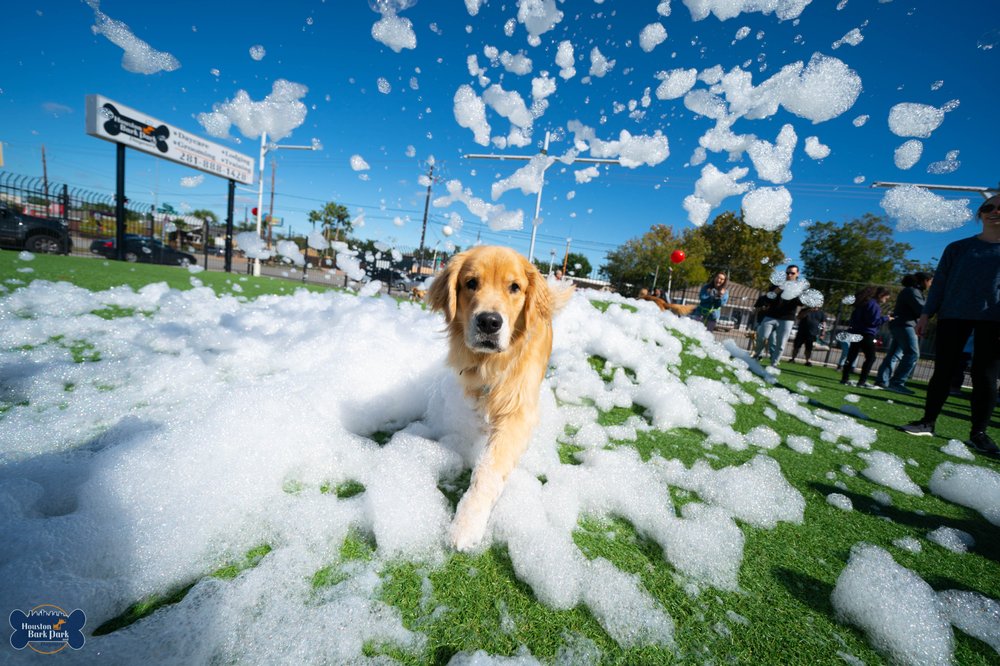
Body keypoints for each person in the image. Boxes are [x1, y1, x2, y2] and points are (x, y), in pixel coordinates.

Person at [901, 194, 1000, 458]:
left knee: (985, 376)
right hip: (953, 315)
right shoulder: (957, 248)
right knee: (943, 370)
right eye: (989, 207)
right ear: (980, 214)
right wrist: (925, 314)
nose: (994, 211)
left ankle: (978, 433)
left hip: (995, 320)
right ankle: (927, 422)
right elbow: (940, 285)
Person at [875, 272, 932, 394]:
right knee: (912, 354)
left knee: (894, 354)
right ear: (924, 281)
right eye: (930, 281)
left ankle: (882, 380)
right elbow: (922, 310)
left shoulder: (911, 291)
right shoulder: (913, 292)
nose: (930, 284)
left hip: (901, 324)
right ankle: (897, 383)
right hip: (905, 325)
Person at [840, 286, 891, 388]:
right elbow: (873, 321)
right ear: (881, 295)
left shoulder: (863, 304)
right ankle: (862, 381)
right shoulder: (874, 305)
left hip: (856, 332)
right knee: (871, 357)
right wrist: (886, 318)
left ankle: (844, 378)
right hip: (866, 334)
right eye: (886, 298)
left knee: (852, 355)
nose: (886, 300)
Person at [753, 265, 803, 367]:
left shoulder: (799, 287)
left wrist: (793, 292)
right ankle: (755, 357)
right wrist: (778, 289)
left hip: (787, 319)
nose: (789, 275)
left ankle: (774, 364)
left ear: (798, 274)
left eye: (792, 273)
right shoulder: (777, 285)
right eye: (787, 273)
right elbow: (768, 299)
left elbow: (800, 303)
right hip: (771, 316)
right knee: (762, 337)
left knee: (780, 344)